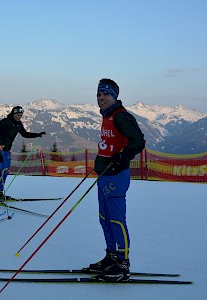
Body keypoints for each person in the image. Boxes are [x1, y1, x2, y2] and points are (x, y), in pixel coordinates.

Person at [87, 78, 146, 282]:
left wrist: (120, 159)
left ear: (114, 96)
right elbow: (108, 144)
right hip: (103, 175)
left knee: (116, 220)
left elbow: (138, 142)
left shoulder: (121, 116)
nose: (101, 98)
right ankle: (111, 257)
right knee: (104, 219)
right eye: (99, 94)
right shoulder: (107, 116)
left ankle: (123, 265)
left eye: (105, 94)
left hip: (116, 176)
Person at [0, 106, 46, 202]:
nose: (19, 117)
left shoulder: (18, 124)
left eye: (21, 115)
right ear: (13, 113)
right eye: (18, 115)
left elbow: (25, 134)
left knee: (6, 172)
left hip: (7, 151)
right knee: (3, 172)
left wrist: (37, 134)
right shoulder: (6, 121)